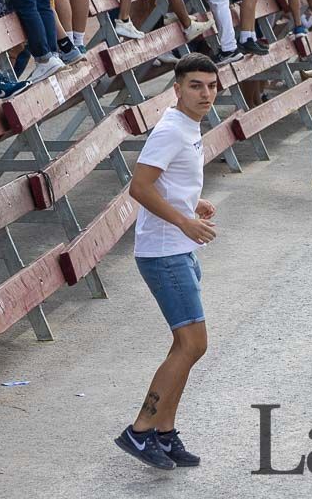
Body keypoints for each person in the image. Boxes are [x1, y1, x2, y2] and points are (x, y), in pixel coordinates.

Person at [116, 53, 221, 471]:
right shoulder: (171, 130)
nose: (206, 94)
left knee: (185, 346)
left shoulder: (189, 128)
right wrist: (184, 221)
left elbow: (166, 182)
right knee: (194, 344)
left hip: (178, 245)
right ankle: (139, 431)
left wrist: (193, 203)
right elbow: (138, 188)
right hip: (165, 251)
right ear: (176, 88)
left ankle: (164, 432)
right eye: (196, 85)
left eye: (212, 86)